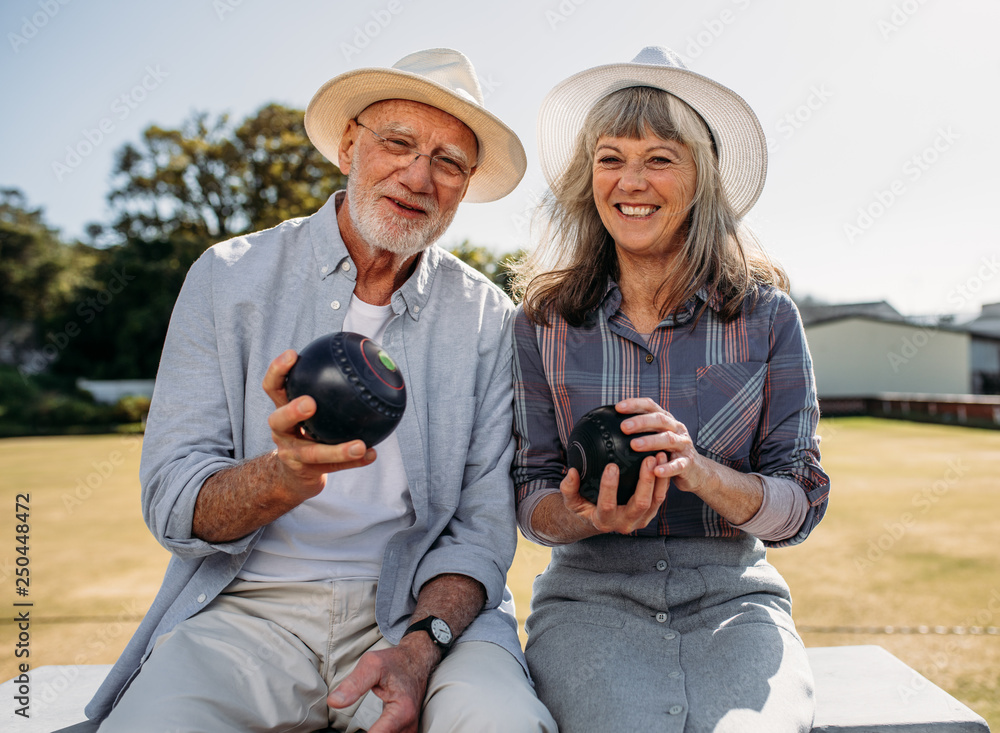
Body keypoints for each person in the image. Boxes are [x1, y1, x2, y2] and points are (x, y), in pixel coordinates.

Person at [82, 48, 557, 733]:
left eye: (449, 161)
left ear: (464, 184)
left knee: (503, 723)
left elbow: (480, 533)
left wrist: (420, 650)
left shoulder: (489, 320)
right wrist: (281, 477)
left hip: (419, 612)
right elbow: (172, 502)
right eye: (398, 142)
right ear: (348, 146)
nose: (418, 175)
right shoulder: (227, 277)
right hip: (246, 608)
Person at [511, 47, 831, 732]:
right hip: (587, 600)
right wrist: (587, 515)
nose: (632, 180)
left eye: (660, 157)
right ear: (586, 177)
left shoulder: (768, 317)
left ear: (701, 179)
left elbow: (799, 504)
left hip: (734, 600)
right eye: (610, 156)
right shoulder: (543, 322)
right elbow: (531, 496)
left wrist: (703, 471)